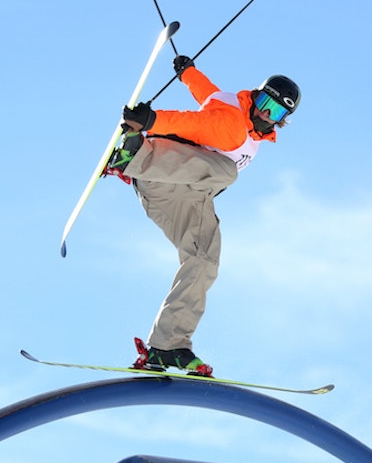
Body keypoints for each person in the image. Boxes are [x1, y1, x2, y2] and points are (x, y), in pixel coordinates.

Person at [104, 54, 301, 376]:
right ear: (256, 96)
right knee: (226, 171)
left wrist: (188, 73)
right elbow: (191, 123)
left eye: (276, 111)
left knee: (204, 260)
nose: (266, 113)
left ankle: (167, 346)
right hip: (158, 172)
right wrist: (150, 121)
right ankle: (131, 157)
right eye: (265, 103)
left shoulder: (234, 109)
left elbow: (205, 92)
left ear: (283, 118)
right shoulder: (235, 127)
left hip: (183, 192)